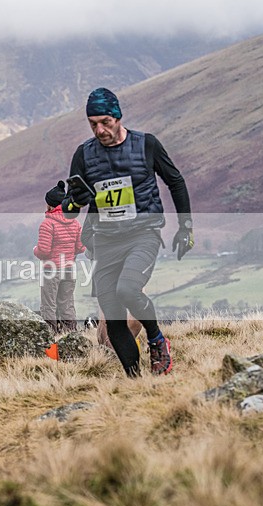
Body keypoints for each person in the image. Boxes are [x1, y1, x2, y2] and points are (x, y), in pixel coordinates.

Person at [62, 87, 193, 377]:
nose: (100, 130)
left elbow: (176, 181)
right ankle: (134, 380)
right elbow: (69, 210)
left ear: (118, 117)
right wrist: (76, 201)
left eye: (105, 122)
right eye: (93, 124)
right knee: (113, 315)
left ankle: (157, 339)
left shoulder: (146, 145)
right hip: (106, 240)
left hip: (142, 234)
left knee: (128, 290)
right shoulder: (83, 154)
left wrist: (185, 226)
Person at [33, 181, 86, 334]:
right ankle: (71, 336)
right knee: (67, 304)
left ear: (50, 205)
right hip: (69, 269)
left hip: (51, 270)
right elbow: (81, 248)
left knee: (48, 305)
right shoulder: (75, 223)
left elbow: (44, 251)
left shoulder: (47, 224)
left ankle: (51, 337)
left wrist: (35, 250)